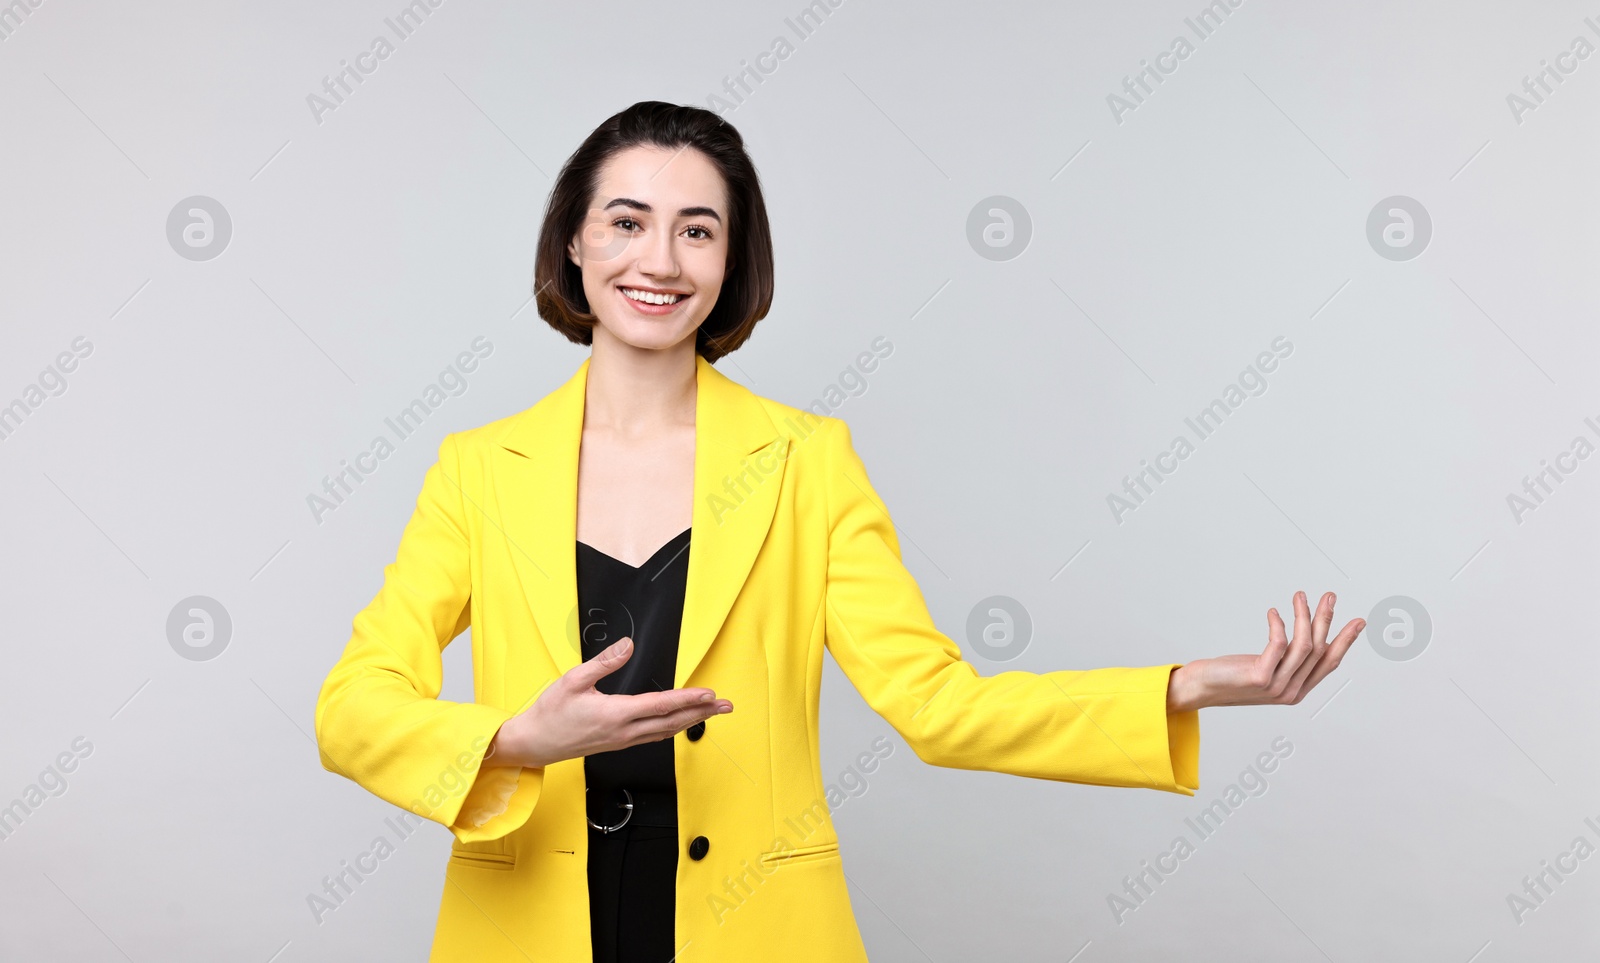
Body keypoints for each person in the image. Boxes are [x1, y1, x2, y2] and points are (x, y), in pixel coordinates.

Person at [314, 101, 1363, 963]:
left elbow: (938, 705)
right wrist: (510, 741)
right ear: (576, 242)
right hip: (523, 933)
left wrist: (1180, 687)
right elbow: (353, 707)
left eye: (698, 228)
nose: (661, 259)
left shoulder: (807, 460)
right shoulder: (477, 469)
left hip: (756, 934)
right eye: (627, 220)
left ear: (731, 260)